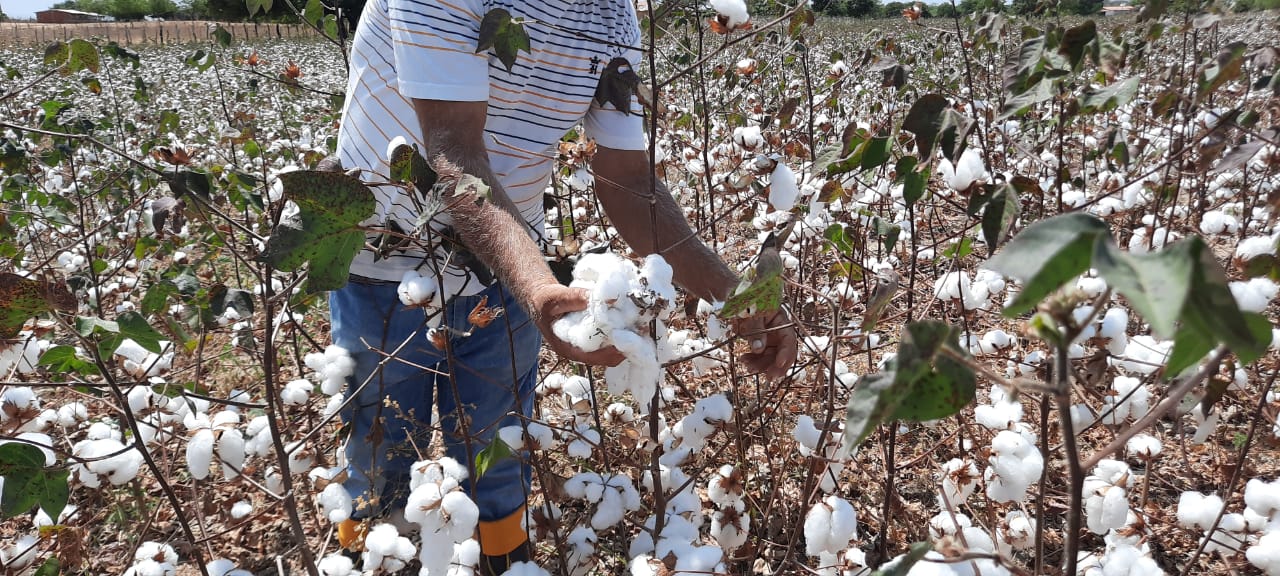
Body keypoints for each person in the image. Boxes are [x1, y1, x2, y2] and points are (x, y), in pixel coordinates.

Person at [328, 0, 798, 572]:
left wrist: (734, 293)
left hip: (503, 268)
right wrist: (541, 292)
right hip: (380, 261)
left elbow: (625, 180)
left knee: (498, 459)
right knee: (379, 457)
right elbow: (453, 153)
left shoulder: (612, 16)